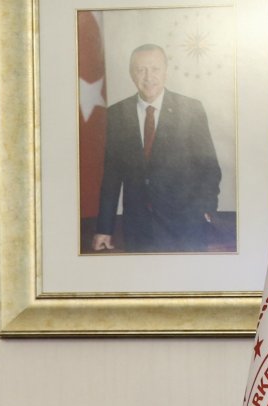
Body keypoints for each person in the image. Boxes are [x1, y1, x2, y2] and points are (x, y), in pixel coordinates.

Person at [93, 44, 222, 252]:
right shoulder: (116, 114)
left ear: (166, 71)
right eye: (140, 69)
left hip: (186, 226)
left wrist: (206, 208)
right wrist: (104, 228)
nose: (148, 76)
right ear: (131, 74)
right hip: (138, 228)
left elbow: (209, 167)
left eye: (155, 69)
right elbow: (111, 177)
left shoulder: (191, 109)